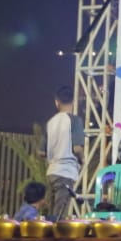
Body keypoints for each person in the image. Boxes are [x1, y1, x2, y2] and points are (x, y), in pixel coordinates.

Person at [39, 86, 84, 221]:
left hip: (51, 172)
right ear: (73, 102)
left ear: (56, 102)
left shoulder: (50, 122)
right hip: (66, 173)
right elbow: (77, 148)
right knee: (60, 217)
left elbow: (41, 152)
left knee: (51, 216)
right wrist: (83, 159)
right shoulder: (75, 121)